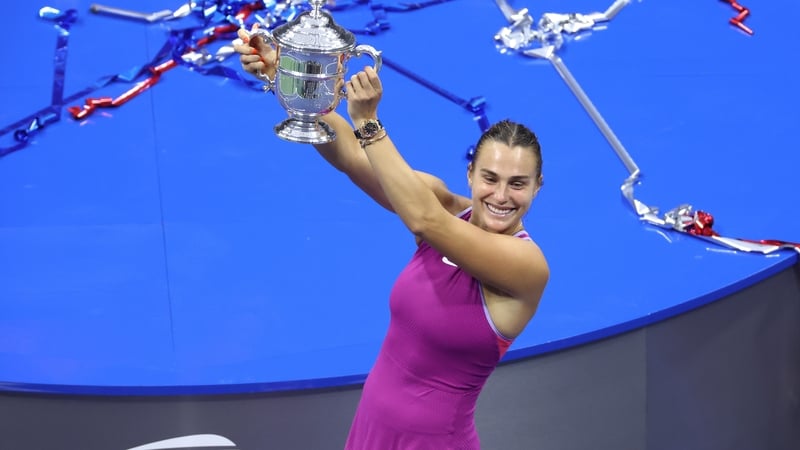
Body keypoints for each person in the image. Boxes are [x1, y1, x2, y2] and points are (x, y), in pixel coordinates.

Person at [234, 25, 549, 450]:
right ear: (470, 174)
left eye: (518, 184)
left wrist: (368, 122)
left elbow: (426, 224)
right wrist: (289, 79)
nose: (501, 196)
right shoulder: (440, 201)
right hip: (371, 432)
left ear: (537, 188)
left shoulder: (526, 266)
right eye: (490, 178)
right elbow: (350, 157)